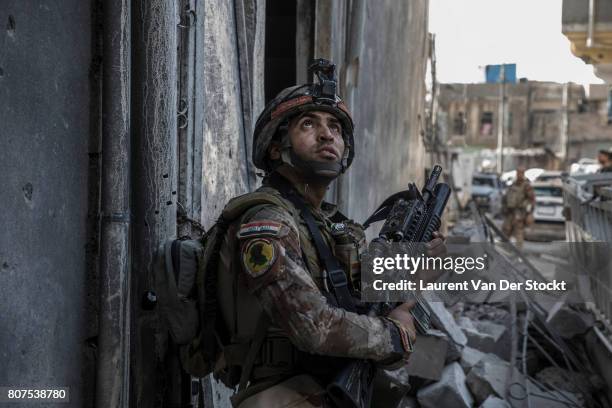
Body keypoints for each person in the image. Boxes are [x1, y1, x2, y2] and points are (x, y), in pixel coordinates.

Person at [212, 60, 446, 408]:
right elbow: (314, 326)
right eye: (309, 124)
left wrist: (413, 273)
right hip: (283, 395)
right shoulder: (266, 223)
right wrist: (393, 336)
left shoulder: (330, 227)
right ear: (276, 148)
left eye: (335, 127)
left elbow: (360, 304)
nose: (327, 135)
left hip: (327, 389)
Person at [501, 167, 535, 249]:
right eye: (518, 173)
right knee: (505, 231)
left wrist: (528, 213)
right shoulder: (512, 185)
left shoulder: (526, 186)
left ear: (523, 174)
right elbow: (505, 198)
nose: (519, 174)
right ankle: (504, 250)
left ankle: (519, 254)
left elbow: (532, 200)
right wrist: (504, 208)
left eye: (521, 173)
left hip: (519, 213)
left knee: (518, 233)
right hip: (510, 212)